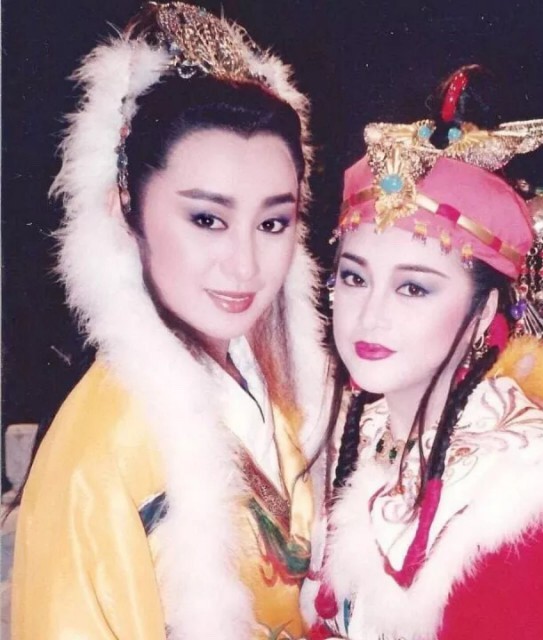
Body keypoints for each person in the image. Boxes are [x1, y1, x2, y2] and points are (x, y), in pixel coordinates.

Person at [11, 3, 329, 639]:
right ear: (126, 207)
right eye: (207, 219)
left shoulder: (264, 383)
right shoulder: (102, 450)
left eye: (273, 222)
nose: (244, 265)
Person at [306, 66, 543, 639]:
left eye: (414, 288)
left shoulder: (531, 505)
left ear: (484, 313)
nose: (371, 314)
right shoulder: (356, 433)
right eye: (355, 278)